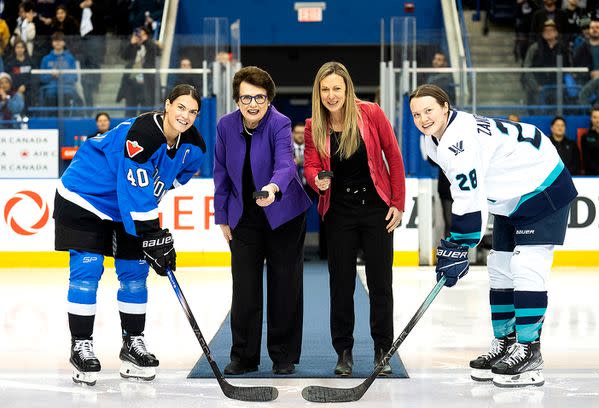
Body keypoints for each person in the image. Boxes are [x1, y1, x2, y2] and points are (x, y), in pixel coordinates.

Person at [409, 84, 577, 388]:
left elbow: (468, 196)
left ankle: (529, 351)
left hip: (543, 185)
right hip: (510, 195)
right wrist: (460, 244)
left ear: (446, 107)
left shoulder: (457, 140)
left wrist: (460, 243)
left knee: (527, 267)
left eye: (429, 110)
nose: (423, 118)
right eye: (416, 114)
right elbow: (472, 190)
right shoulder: (435, 139)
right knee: (499, 267)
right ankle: (506, 343)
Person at [53, 84, 205, 386]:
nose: (185, 116)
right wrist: (152, 234)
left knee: (134, 272)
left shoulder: (194, 146)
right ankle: (80, 345)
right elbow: (134, 191)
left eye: (192, 111)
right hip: (85, 195)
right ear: (167, 105)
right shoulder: (142, 136)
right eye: (180, 107)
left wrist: (152, 235)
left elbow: (174, 179)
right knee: (87, 268)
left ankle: (132, 344)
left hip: (126, 205)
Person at [304, 61, 405, 377]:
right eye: (325, 89)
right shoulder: (313, 125)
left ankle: (382, 351)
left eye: (337, 88)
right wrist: (316, 180)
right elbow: (309, 164)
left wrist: (397, 203)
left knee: (380, 284)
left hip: (376, 208)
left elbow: (394, 156)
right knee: (341, 284)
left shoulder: (371, 113)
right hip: (339, 212)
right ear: (318, 92)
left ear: (347, 89)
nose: (331, 95)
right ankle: (344, 352)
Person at [214, 66, 311, 376]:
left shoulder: (279, 123)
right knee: (244, 288)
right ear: (237, 99)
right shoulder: (225, 126)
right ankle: (243, 355)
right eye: (245, 98)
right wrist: (221, 215)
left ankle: (283, 355)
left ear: (269, 99)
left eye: (259, 97)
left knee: (285, 285)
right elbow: (220, 173)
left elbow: (286, 162)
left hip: (282, 213)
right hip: (243, 216)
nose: (252, 104)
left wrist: (272, 187)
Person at [39, 32, 81, 111]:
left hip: (67, 89)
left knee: (68, 95)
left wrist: (61, 75)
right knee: (49, 96)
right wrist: (51, 75)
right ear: (52, 43)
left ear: (64, 43)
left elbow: (74, 77)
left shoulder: (70, 58)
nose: (58, 42)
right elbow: (42, 78)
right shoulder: (45, 59)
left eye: (60, 40)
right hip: (50, 89)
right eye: (55, 40)